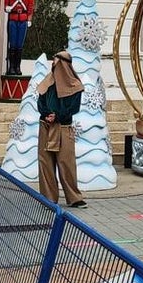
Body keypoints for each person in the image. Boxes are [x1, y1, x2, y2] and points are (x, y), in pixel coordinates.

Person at [37, 51, 86, 209]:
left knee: (66, 163)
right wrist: (46, 114)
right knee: (46, 163)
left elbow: (73, 108)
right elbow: (41, 102)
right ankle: (48, 198)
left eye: (56, 63)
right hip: (46, 127)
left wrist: (57, 116)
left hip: (64, 128)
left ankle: (74, 197)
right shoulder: (48, 82)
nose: (53, 66)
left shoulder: (75, 86)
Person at [3, 0, 35, 76]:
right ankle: (11, 67)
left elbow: (31, 6)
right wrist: (7, 8)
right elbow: (6, 4)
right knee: (13, 43)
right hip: (13, 18)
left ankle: (17, 67)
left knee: (20, 45)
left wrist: (29, 18)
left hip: (23, 19)